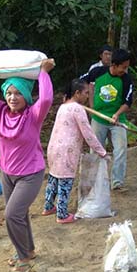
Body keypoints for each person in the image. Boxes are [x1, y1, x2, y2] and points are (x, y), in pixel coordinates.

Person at [0, 58, 55, 272]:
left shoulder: (33, 115)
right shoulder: (0, 112)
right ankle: (28, 250)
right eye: (8, 93)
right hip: (6, 173)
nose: (12, 97)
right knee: (20, 213)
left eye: (17, 93)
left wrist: (44, 72)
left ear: (26, 96)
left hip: (30, 174)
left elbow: (46, 98)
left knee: (12, 214)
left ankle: (24, 256)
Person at [43, 78, 107, 223]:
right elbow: (88, 133)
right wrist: (101, 151)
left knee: (54, 178)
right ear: (77, 93)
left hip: (53, 148)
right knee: (65, 181)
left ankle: (48, 206)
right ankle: (62, 214)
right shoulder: (78, 109)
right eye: (85, 93)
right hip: (67, 150)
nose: (87, 96)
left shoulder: (63, 106)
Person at [83, 48, 134, 191]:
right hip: (98, 119)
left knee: (121, 149)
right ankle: (95, 181)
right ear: (114, 65)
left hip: (118, 120)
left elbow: (128, 102)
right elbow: (81, 82)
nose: (125, 70)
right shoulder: (97, 72)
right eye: (123, 67)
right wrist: (89, 104)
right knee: (96, 150)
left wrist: (117, 114)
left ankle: (117, 182)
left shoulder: (126, 79)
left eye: (127, 67)